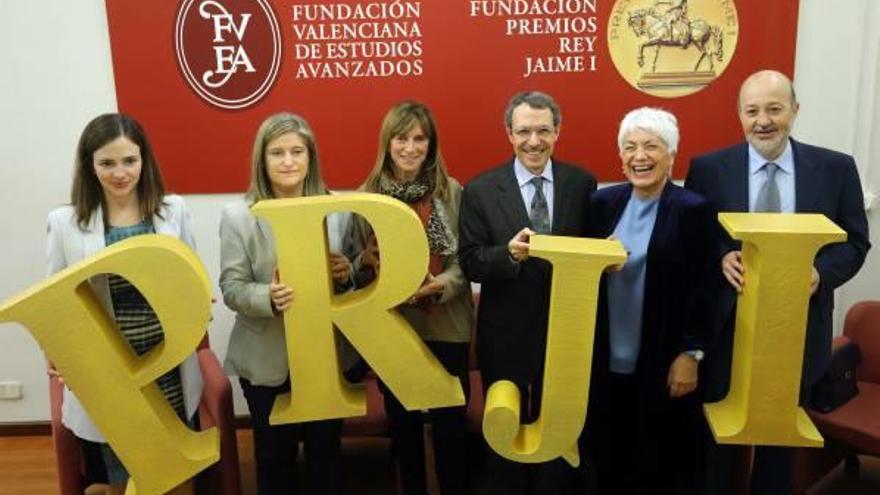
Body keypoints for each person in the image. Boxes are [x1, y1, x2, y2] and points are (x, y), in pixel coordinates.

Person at [685, 69, 871, 494]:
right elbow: (697, 235)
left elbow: (856, 241)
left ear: (795, 110)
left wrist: (821, 273)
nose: (763, 120)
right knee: (718, 441)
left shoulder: (836, 168)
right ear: (739, 115)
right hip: (730, 328)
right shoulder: (708, 168)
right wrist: (720, 257)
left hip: (799, 328)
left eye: (774, 109)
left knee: (779, 444)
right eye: (752, 111)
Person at [46, 113, 202, 495]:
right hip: (109, 372)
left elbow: (192, 275)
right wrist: (66, 357)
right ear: (90, 165)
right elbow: (56, 303)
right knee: (124, 477)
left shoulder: (173, 210)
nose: (120, 173)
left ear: (144, 160)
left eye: (129, 161)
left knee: (176, 472)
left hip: (167, 365)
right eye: (107, 163)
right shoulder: (65, 222)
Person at [458, 91, 596, 494]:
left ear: (558, 131)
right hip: (506, 334)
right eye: (523, 131)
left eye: (542, 130)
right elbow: (470, 261)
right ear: (508, 134)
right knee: (508, 431)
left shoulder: (581, 183)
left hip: (567, 332)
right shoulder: (481, 189)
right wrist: (509, 255)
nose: (533, 141)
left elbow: (593, 246)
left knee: (561, 433)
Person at [219, 112, 354, 495]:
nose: (288, 161)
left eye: (297, 151)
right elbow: (231, 287)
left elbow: (352, 278)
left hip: (324, 356)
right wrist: (267, 296)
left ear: (311, 156)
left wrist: (346, 275)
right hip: (267, 360)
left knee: (326, 453)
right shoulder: (239, 216)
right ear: (262, 160)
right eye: (277, 152)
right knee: (274, 459)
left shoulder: (336, 207)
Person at [585, 107, 712, 494]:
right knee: (606, 459)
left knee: (658, 464)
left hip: (664, 361)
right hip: (604, 362)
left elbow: (705, 289)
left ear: (672, 154)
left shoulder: (693, 209)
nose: (640, 156)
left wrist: (691, 354)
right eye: (630, 147)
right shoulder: (601, 205)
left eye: (652, 146)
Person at [350, 100, 473, 495]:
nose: (410, 148)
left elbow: (464, 260)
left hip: (446, 324)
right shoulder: (366, 196)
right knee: (402, 427)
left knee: (450, 426)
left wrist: (445, 284)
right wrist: (363, 260)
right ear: (387, 142)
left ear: (431, 144)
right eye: (401, 138)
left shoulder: (451, 192)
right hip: (393, 327)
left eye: (420, 139)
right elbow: (353, 262)